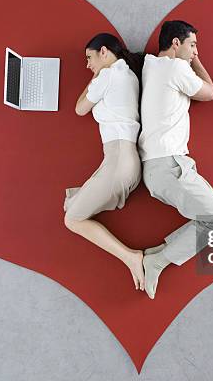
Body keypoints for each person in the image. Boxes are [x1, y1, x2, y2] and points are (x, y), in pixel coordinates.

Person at [138, 20, 213, 299]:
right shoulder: (176, 67)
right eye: (192, 45)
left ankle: (157, 253)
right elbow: (210, 93)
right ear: (176, 44)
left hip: (159, 168)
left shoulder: (150, 65)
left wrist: (189, 55)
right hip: (169, 165)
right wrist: (196, 62)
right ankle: (158, 260)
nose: (195, 52)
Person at [63, 33, 146, 291]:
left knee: (72, 219)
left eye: (90, 58)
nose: (88, 65)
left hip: (119, 160)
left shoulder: (109, 75)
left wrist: (97, 74)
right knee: (72, 209)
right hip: (124, 160)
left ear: (104, 51)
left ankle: (131, 257)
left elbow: (79, 108)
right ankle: (131, 257)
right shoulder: (129, 75)